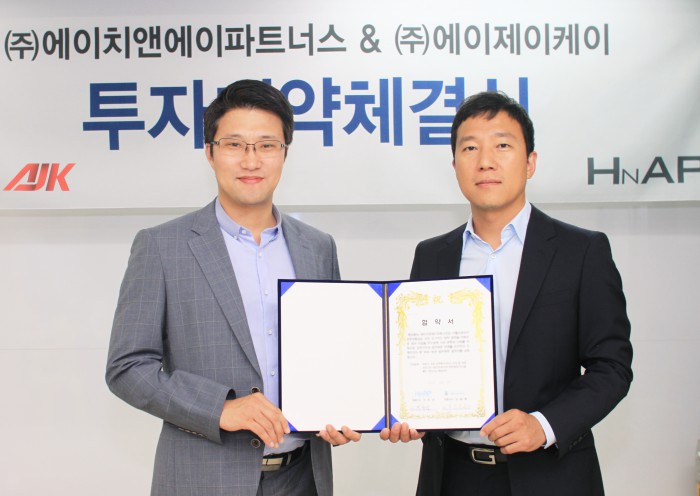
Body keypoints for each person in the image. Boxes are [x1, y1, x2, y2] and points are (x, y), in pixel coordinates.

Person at [106, 79, 360, 496]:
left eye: (267, 145)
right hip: (203, 479)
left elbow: (333, 354)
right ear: (210, 153)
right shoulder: (162, 246)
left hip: (303, 478)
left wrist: (345, 407)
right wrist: (219, 408)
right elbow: (127, 367)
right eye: (234, 144)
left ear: (284, 153)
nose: (251, 160)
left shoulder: (317, 248)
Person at [381, 91, 633, 496]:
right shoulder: (432, 256)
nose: (485, 161)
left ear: (530, 162)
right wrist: (404, 411)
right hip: (453, 476)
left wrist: (544, 425)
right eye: (470, 148)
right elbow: (416, 361)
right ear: (455, 165)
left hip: (551, 476)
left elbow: (612, 367)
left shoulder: (581, 251)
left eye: (502, 145)